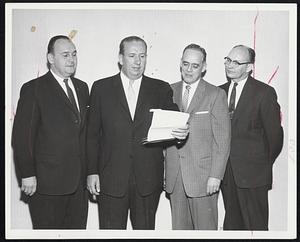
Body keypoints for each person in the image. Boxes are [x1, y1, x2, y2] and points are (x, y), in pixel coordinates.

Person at [86, 36, 189, 229]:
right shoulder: (101, 88)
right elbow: (92, 135)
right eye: (132, 55)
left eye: (142, 56)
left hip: (147, 180)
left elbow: (173, 116)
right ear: (120, 58)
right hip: (110, 179)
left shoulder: (160, 88)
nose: (138, 61)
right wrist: (91, 171)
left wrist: (181, 129)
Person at [12, 35, 89, 229]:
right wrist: (27, 173)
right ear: (51, 58)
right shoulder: (34, 89)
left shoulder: (82, 88)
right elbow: (22, 138)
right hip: (46, 186)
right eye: (65, 55)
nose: (71, 59)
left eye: (74, 54)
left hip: (78, 186)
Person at [165, 44, 231, 230]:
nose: (189, 69)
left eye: (195, 65)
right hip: (175, 177)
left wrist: (216, 176)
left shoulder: (216, 94)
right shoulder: (168, 91)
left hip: (204, 178)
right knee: (179, 232)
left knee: (206, 231)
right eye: (185, 64)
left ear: (204, 67)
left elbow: (222, 140)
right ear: (180, 63)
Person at [220, 45, 284, 230]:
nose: (230, 65)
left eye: (236, 62)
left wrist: (259, 165)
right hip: (226, 175)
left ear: (249, 67)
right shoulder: (218, 92)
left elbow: (275, 137)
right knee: (231, 227)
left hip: (254, 177)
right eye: (228, 60)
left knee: (255, 227)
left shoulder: (264, 93)